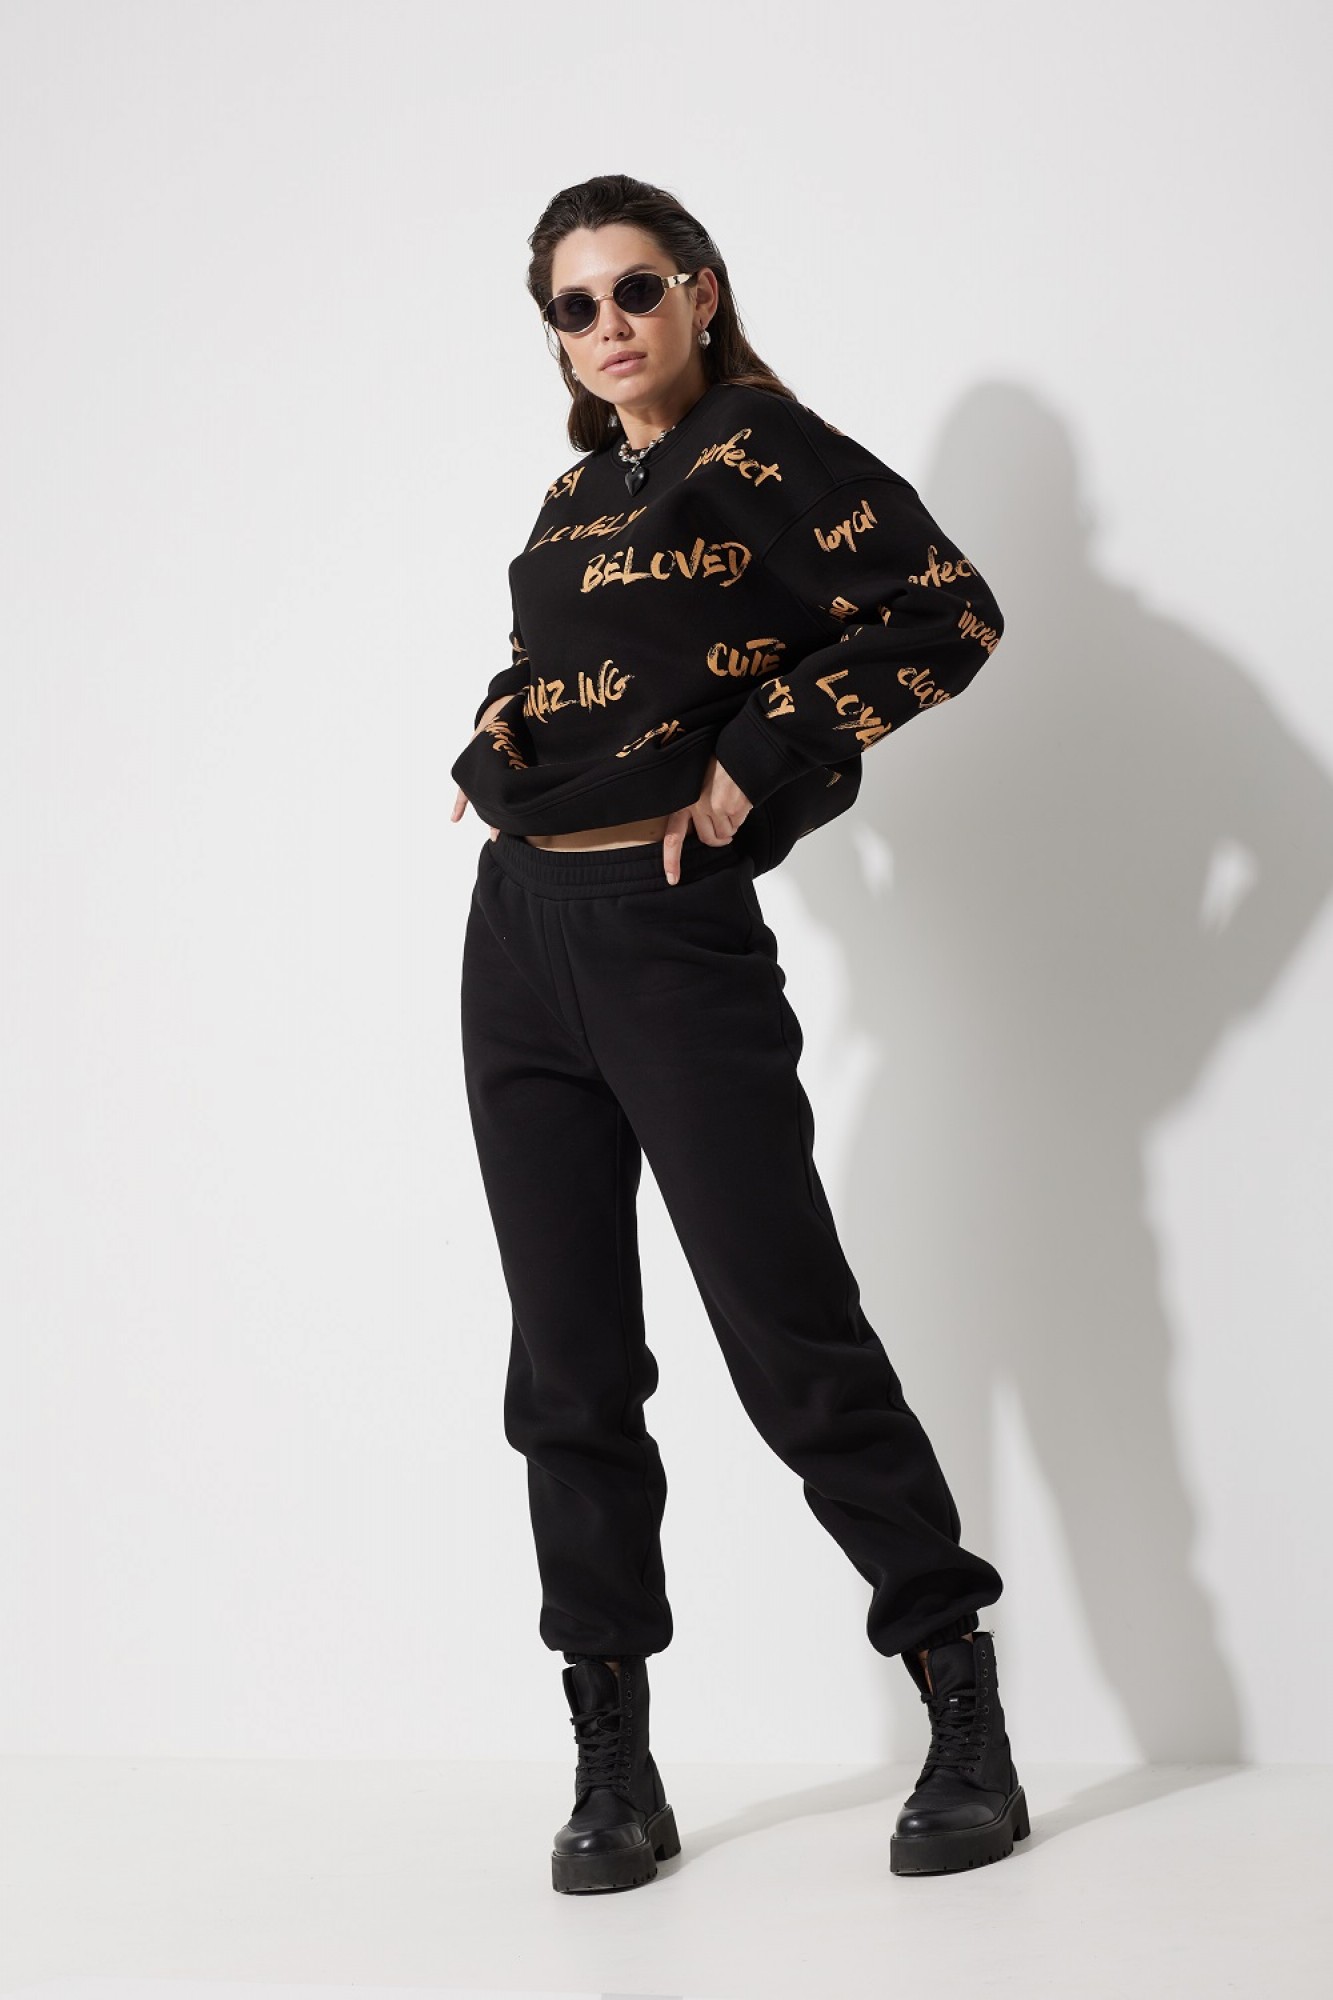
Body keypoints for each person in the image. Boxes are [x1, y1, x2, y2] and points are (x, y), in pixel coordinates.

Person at [450, 174, 1029, 1891]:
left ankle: (962, 1714)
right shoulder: (581, 491)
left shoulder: (766, 449)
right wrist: (490, 740)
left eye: (636, 288)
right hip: (517, 944)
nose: (608, 325)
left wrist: (761, 761)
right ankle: (612, 1764)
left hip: (666, 946)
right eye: (574, 306)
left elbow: (948, 611)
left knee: (789, 1336)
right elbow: (551, 664)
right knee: (567, 1367)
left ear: (699, 291)